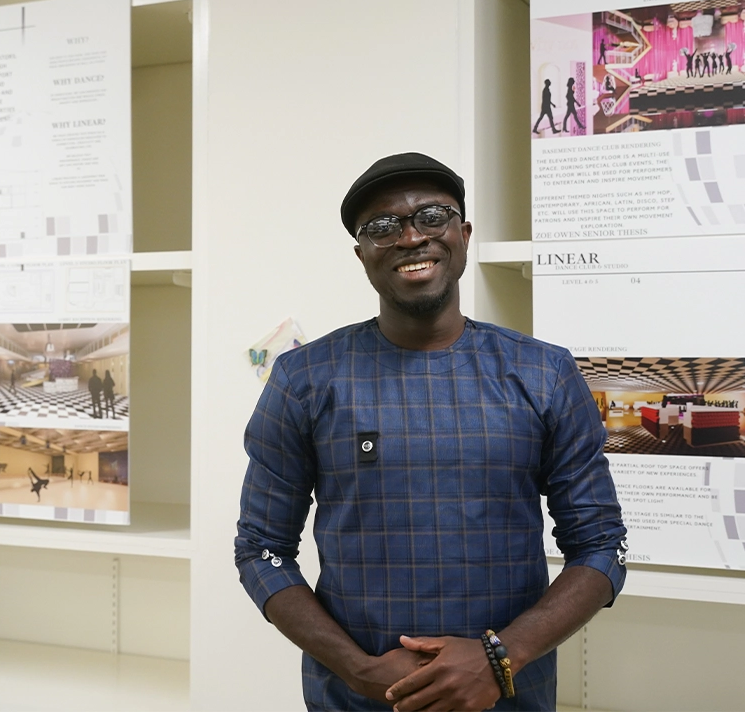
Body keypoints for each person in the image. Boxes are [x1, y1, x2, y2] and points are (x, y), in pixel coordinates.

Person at [235, 152, 627, 711]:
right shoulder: (305, 380)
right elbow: (260, 549)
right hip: (358, 699)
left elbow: (601, 545)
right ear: (362, 254)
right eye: (382, 227)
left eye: (432, 216)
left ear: (463, 235)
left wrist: (500, 659)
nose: (410, 237)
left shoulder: (545, 374)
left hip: (507, 697)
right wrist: (360, 669)